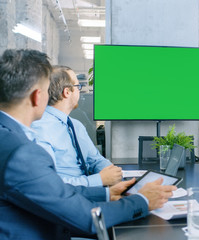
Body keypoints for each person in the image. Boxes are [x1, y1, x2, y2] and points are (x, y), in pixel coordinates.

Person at [0, 49, 176, 239]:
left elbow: (52, 189)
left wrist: (106, 194)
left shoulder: (9, 137)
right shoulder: (21, 153)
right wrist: (142, 201)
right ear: (38, 96)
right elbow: (87, 219)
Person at [32, 65, 121, 187]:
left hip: (89, 191)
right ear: (67, 92)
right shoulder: (40, 129)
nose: (80, 91)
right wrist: (99, 180)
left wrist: (113, 174)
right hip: (67, 198)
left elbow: (95, 160)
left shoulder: (76, 126)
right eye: (78, 86)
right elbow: (49, 184)